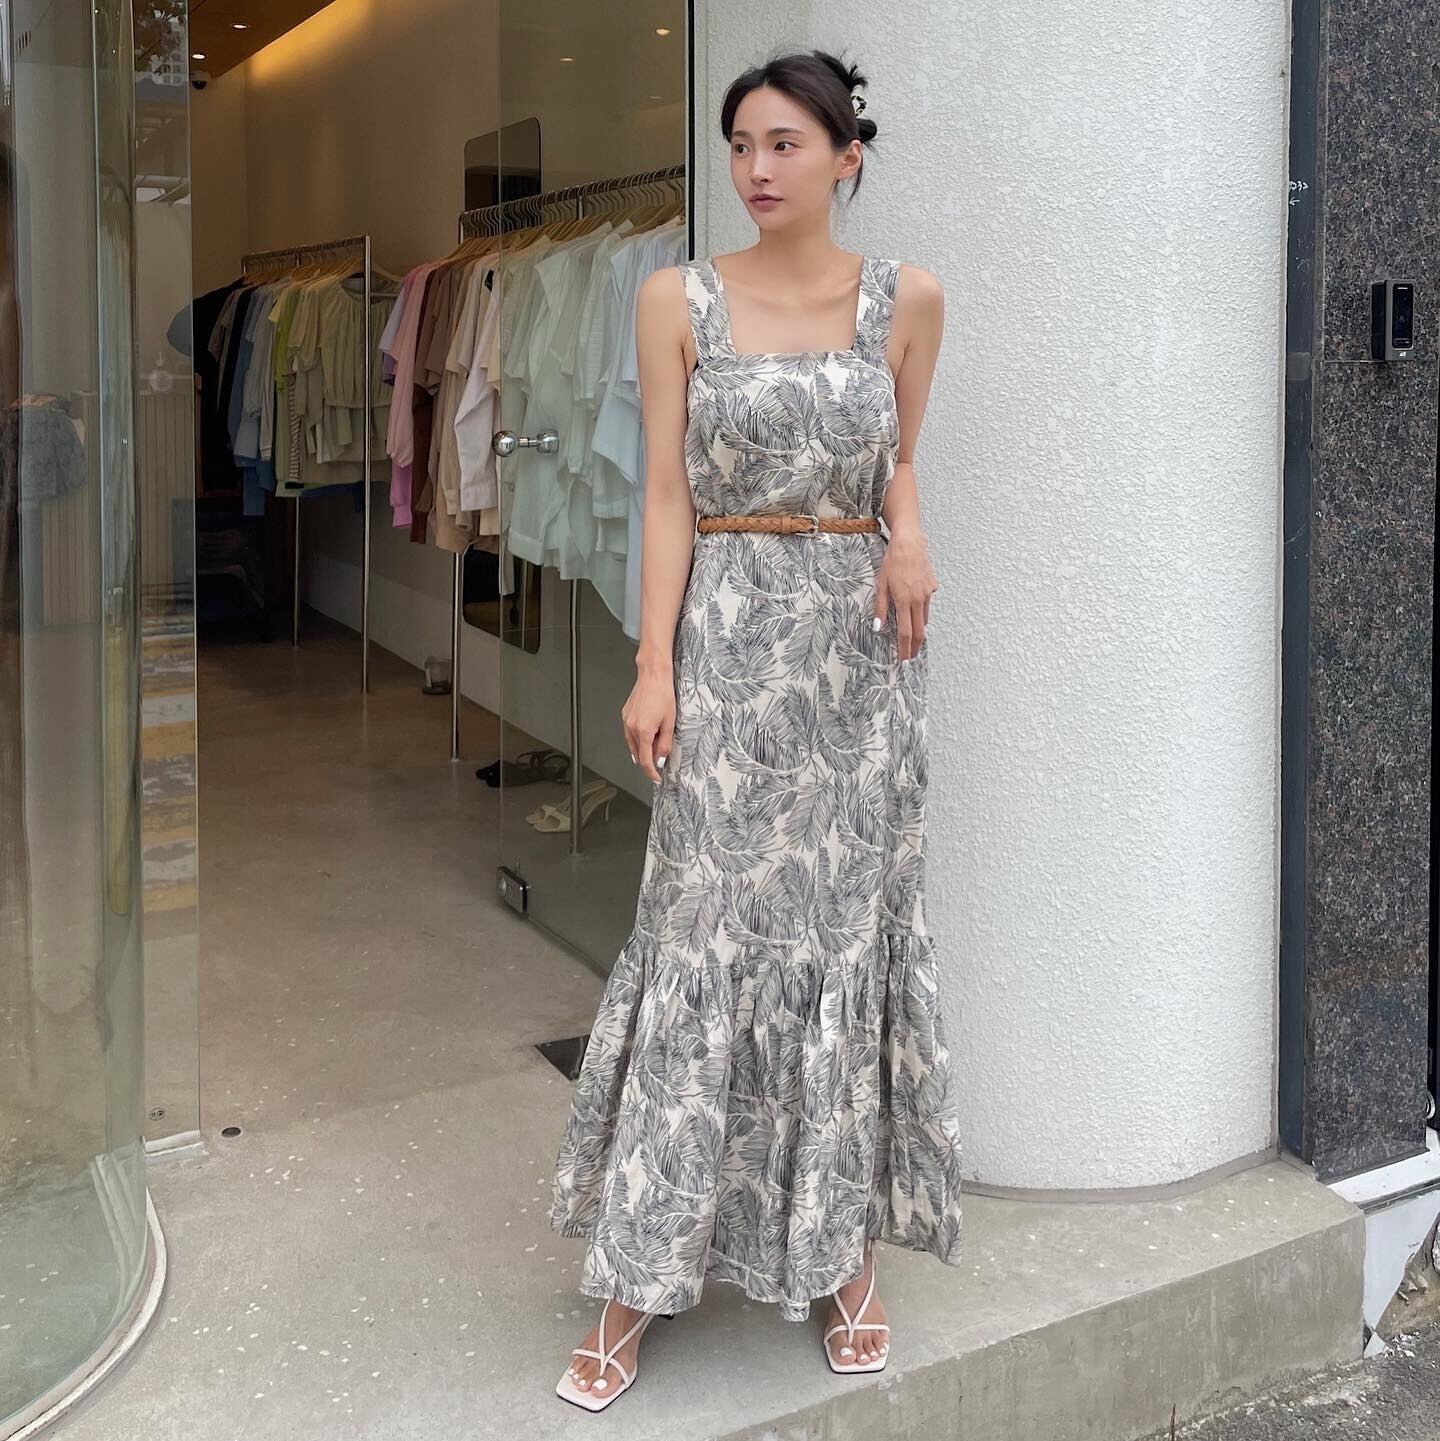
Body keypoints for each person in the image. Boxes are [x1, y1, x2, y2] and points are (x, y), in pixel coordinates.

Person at [548, 48, 965, 1412]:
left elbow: (899, 459)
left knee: (838, 941)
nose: (757, 167)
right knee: (699, 937)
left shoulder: (908, 299)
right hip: (728, 643)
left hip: (857, 659)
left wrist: (910, 533)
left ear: (847, 156)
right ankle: (638, 1266)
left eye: (785, 142)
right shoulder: (677, 298)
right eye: (741, 144)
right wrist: (652, 662)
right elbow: (668, 496)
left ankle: (841, 1256)